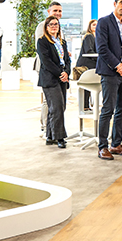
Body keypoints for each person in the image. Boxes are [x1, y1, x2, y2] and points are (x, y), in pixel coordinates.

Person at [95, 0, 122, 160]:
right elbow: (102, 48)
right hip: (110, 72)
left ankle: (116, 144)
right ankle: (102, 146)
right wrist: (118, 65)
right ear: (115, 4)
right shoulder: (104, 22)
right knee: (108, 109)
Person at [36, 16, 71, 149]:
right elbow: (46, 61)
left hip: (62, 77)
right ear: (46, 27)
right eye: (51, 24)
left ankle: (50, 136)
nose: (54, 26)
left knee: (60, 107)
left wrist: (66, 72)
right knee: (56, 107)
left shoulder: (62, 42)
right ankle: (59, 137)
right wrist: (60, 73)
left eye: (56, 24)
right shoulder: (42, 41)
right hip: (50, 78)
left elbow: (67, 60)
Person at [35, 1, 62, 135]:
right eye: (55, 10)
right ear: (48, 12)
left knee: (57, 102)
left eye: (60, 11)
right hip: (46, 68)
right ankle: (46, 127)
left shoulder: (58, 26)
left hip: (58, 68)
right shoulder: (43, 26)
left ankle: (52, 129)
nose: (58, 13)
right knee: (49, 100)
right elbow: (43, 49)